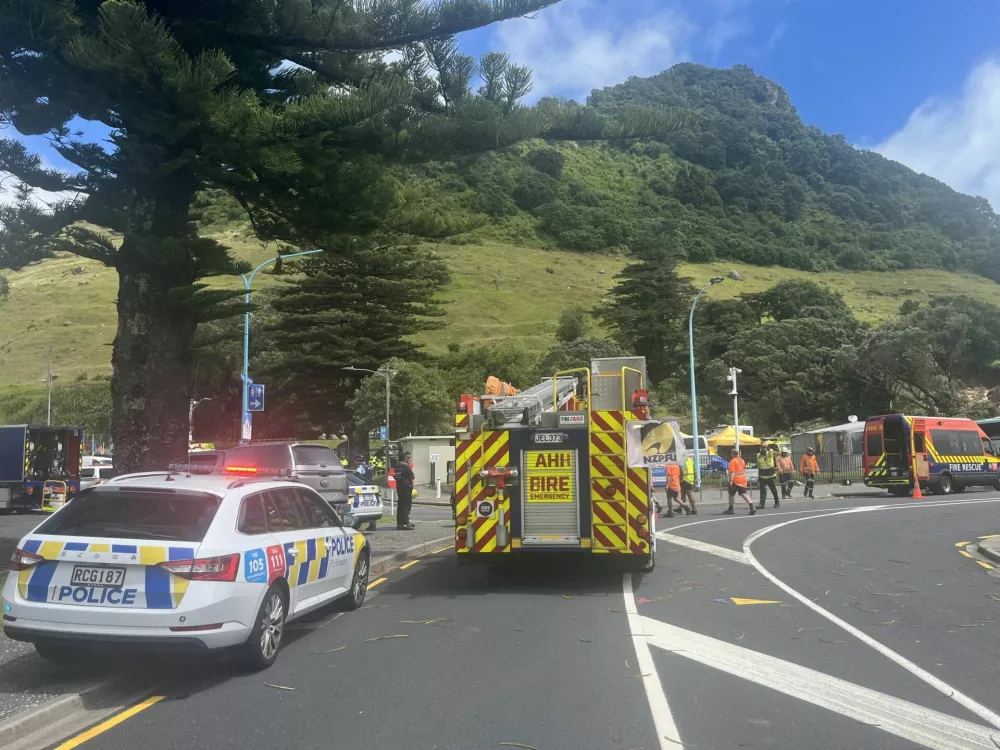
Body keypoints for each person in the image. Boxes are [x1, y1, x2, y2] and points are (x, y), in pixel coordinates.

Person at [725, 448, 756, 515]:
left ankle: (731, 508)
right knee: (743, 493)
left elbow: (733, 472)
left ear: (732, 454)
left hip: (736, 479)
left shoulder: (733, 461)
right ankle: (751, 506)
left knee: (731, 494)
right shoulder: (742, 460)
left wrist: (731, 480)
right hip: (742, 479)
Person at [394, 452, 416, 530]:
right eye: (408, 457)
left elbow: (395, 477)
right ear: (404, 458)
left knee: (400, 506)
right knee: (406, 506)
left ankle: (400, 523)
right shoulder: (405, 466)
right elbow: (412, 476)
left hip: (399, 488)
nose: (409, 459)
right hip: (406, 488)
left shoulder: (396, 466)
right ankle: (405, 523)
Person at [756, 443, 780, 509]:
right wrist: (759, 475)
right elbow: (758, 465)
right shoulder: (758, 455)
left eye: (763, 447)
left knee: (773, 490)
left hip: (770, 475)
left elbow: (773, 451)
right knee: (762, 490)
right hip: (762, 476)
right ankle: (761, 504)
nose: (762, 449)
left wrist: (769, 448)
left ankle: (777, 502)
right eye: (761, 447)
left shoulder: (769, 453)